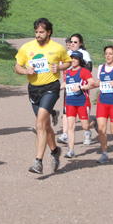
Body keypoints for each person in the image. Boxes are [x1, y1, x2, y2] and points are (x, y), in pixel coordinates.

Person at [15, 18, 71, 174]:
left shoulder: (57, 48)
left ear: (49, 32)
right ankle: (55, 151)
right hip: (34, 89)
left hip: (51, 87)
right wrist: (26, 71)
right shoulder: (27, 48)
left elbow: (68, 62)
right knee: (45, 125)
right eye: (36, 32)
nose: (38, 35)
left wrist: (58, 67)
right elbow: (17, 67)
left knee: (39, 123)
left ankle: (38, 162)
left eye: (41, 32)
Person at [57, 33, 92, 145]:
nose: (72, 44)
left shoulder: (84, 53)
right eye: (71, 42)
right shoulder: (67, 53)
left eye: (75, 42)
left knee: (84, 122)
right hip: (68, 85)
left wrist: (77, 68)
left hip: (80, 86)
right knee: (66, 111)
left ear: (80, 43)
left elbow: (89, 68)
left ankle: (88, 131)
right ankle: (65, 134)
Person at [60, 51, 95, 158]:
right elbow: (66, 83)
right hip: (70, 101)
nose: (73, 60)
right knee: (71, 126)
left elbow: (92, 84)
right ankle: (71, 150)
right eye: (72, 58)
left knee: (85, 126)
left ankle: (93, 124)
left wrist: (80, 88)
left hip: (82, 101)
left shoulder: (84, 71)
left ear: (80, 60)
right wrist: (57, 88)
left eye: (75, 58)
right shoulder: (68, 72)